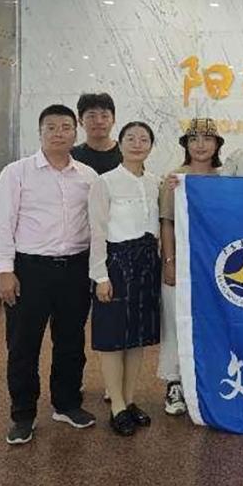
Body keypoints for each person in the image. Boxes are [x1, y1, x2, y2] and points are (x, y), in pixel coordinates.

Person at [0, 104, 98, 445]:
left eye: (65, 127)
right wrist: (4, 270)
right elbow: (2, 222)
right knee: (23, 344)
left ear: (75, 132)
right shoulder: (17, 172)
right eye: (51, 127)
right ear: (40, 132)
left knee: (71, 341)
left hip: (75, 269)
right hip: (30, 270)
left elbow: (97, 223)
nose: (58, 133)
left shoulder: (88, 176)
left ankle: (66, 404)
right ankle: (23, 415)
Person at [88, 122, 162, 436]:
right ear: (119, 144)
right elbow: (97, 232)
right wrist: (100, 276)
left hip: (147, 262)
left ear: (151, 146)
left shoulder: (156, 182)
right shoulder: (104, 182)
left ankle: (130, 399)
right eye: (130, 138)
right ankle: (116, 404)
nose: (137, 143)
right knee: (112, 337)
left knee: (137, 336)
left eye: (144, 139)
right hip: (116, 263)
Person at [158, 118, 223, 416]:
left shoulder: (225, 179)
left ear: (217, 145)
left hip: (213, 266)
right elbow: (167, 224)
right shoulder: (175, 179)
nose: (200, 145)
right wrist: (169, 262)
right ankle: (174, 382)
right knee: (175, 321)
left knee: (209, 323)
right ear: (185, 144)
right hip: (181, 263)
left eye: (207, 139)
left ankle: (205, 381)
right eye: (194, 139)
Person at [71, 92, 122, 175]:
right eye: (92, 116)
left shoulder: (127, 153)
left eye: (104, 116)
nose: (99, 121)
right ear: (80, 121)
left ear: (113, 120)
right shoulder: (72, 156)